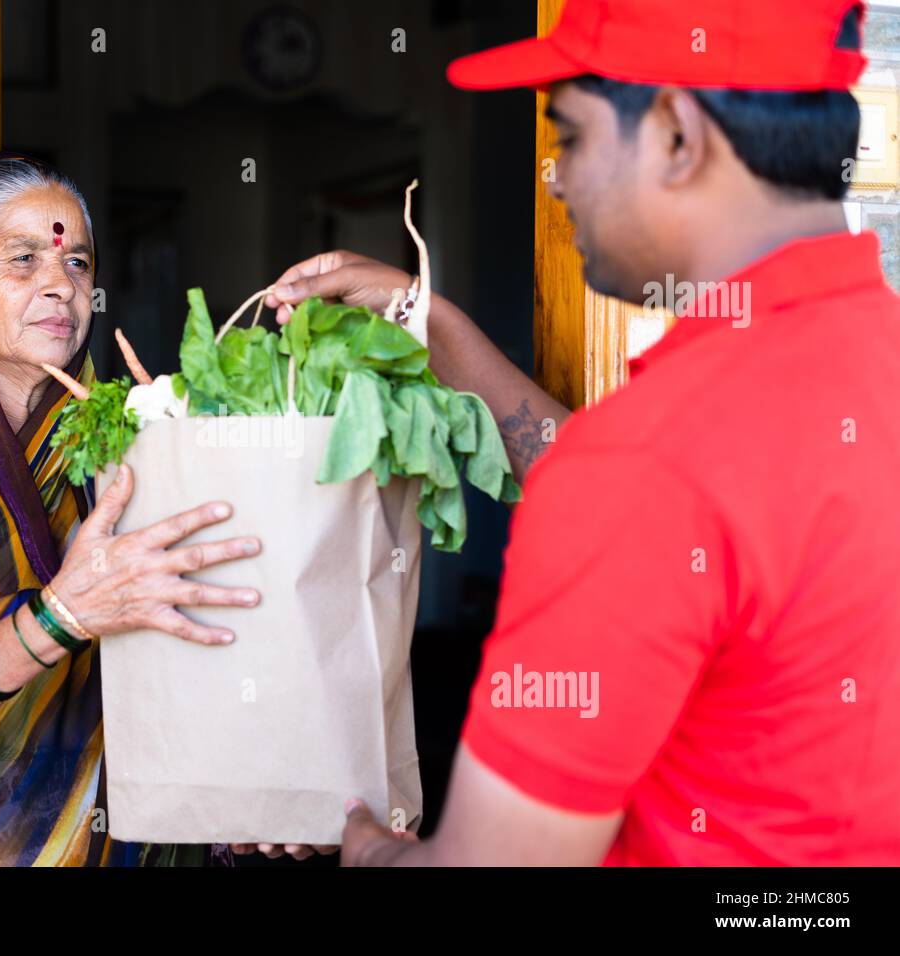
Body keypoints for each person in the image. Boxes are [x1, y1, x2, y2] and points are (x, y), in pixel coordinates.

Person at [270, 0, 900, 865]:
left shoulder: (647, 464)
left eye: (568, 137)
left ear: (678, 134)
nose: (556, 178)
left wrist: (368, 845)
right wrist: (433, 322)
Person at [0, 152, 262, 866]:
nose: (62, 284)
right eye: (23, 259)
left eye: (78, 264)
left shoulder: (122, 436)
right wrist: (59, 619)